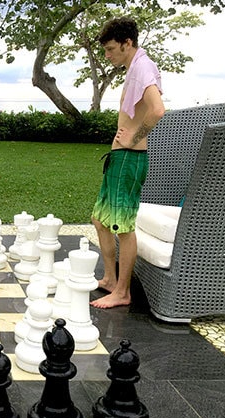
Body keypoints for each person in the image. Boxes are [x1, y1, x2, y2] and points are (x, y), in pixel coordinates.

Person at [90, 17, 165, 309]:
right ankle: (110, 279)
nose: (107, 55)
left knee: (123, 226)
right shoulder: (134, 68)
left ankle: (122, 292)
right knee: (100, 220)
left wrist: (134, 138)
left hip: (130, 158)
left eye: (111, 49)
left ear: (127, 43)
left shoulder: (144, 67)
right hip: (120, 158)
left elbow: (157, 110)